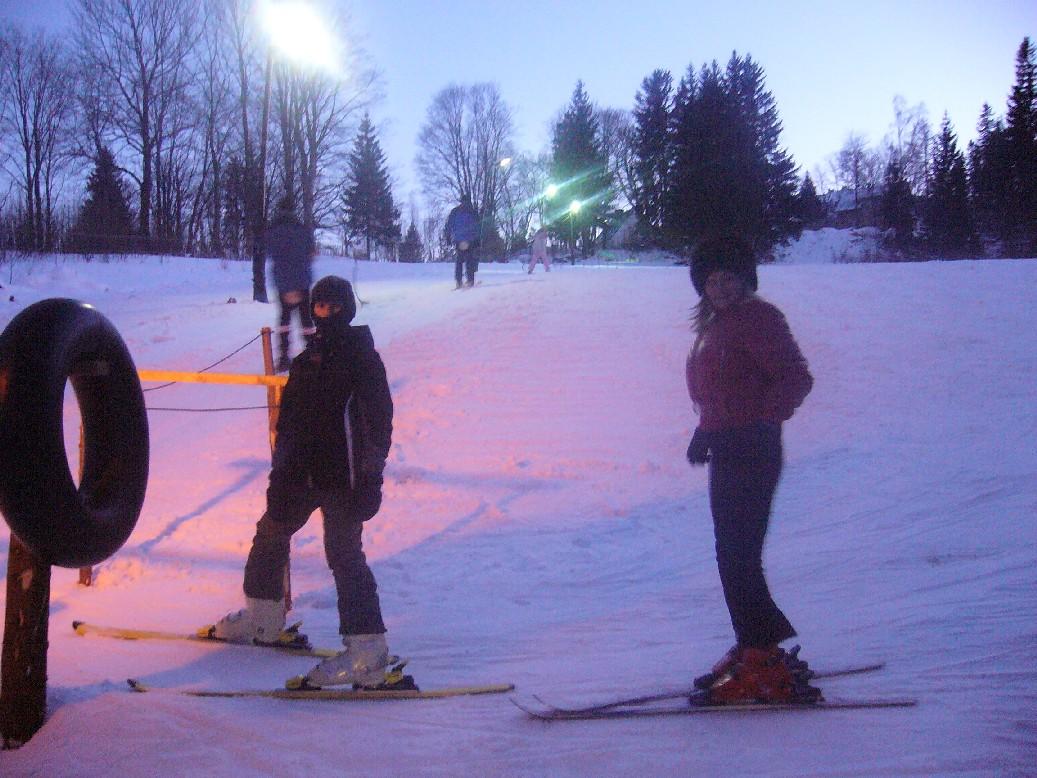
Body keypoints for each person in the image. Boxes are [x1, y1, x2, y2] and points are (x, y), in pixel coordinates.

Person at [214, 275, 395, 690]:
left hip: (344, 479)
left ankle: (368, 650)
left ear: (348, 309)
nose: (325, 314)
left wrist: (371, 477)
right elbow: (289, 424)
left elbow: (379, 423)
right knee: (270, 533)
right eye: (319, 307)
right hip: (302, 474)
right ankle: (263, 618)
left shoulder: (362, 359)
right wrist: (280, 473)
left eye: (333, 307)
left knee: (344, 555)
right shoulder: (305, 361)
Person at [684, 235, 819, 705]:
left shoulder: (760, 319)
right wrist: (707, 429)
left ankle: (762, 657)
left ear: (745, 280)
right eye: (711, 279)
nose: (719, 286)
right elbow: (720, 388)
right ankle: (753, 647)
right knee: (731, 554)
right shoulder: (717, 324)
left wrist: (756, 422)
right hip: (729, 446)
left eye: (728, 277)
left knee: (740, 556)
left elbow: (796, 379)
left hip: (752, 449)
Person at [267, 197, 316, 372]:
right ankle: (313, 353)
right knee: (306, 319)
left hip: (283, 281)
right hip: (302, 279)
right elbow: (311, 253)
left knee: (284, 320)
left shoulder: (272, 231)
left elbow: (269, 252)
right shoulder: (302, 230)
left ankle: (283, 357)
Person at [445, 194, 480, 289]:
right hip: (470, 240)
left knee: (459, 260)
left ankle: (458, 281)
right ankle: (470, 280)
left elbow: (449, 225)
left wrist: (448, 237)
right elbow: (477, 227)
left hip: (458, 240)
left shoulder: (455, 211)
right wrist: (478, 239)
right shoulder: (473, 212)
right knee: (469, 260)